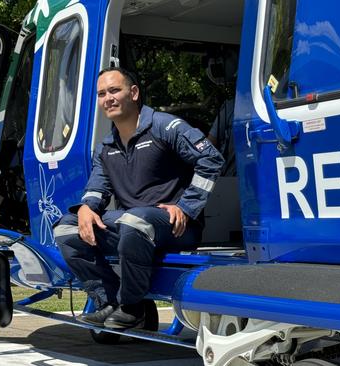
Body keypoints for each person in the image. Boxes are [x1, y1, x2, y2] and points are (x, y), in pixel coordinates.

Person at [54, 67, 224, 329]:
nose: (108, 98)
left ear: (133, 93)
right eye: (101, 94)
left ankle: (134, 308)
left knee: (134, 221)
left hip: (176, 227)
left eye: (114, 90)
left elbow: (211, 159)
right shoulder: (106, 146)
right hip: (131, 227)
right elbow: (97, 188)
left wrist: (187, 207)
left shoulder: (165, 126)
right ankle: (107, 302)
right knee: (66, 228)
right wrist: (87, 208)